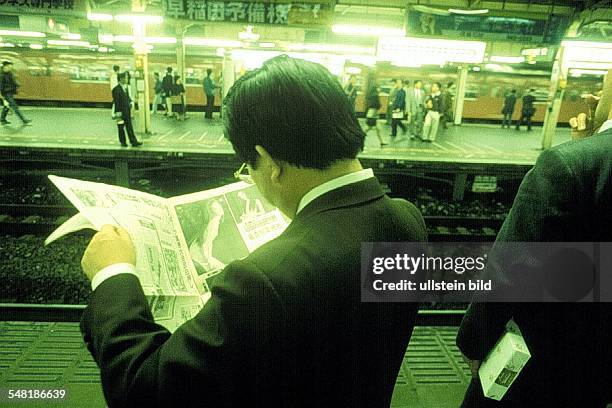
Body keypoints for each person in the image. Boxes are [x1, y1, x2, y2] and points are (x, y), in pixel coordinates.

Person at [79, 55, 427, 407]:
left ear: (271, 163)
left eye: (249, 167)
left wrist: (113, 273)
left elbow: (141, 391)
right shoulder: (408, 222)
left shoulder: (262, 279)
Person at [457, 70, 612, 408]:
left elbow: (509, 269)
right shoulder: (587, 160)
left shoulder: (567, 164)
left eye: (604, 83)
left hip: (544, 361)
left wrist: (475, 342)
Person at [111, 72, 142, 147]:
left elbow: (127, 98)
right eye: (126, 77)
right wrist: (118, 112)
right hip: (120, 113)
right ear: (121, 79)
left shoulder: (125, 88)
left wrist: (130, 102)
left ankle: (133, 141)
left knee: (129, 127)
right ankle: (123, 142)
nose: (127, 79)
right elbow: (116, 101)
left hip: (127, 111)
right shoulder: (116, 89)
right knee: (121, 127)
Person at [0, 61, 31, 126]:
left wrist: (17, 84)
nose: (11, 68)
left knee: (7, 107)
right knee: (15, 107)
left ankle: (2, 119)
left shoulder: (9, 73)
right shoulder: (1, 75)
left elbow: (13, 81)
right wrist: (2, 97)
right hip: (6, 93)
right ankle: (24, 120)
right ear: (5, 67)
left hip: (10, 92)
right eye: (9, 67)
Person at [363, 76, 387, 147]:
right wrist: (379, 106)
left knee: (378, 128)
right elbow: (375, 103)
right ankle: (358, 137)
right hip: (373, 112)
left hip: (372, 111)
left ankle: (382, 141)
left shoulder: (371, 91)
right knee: (368, 127)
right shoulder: (374, 93)